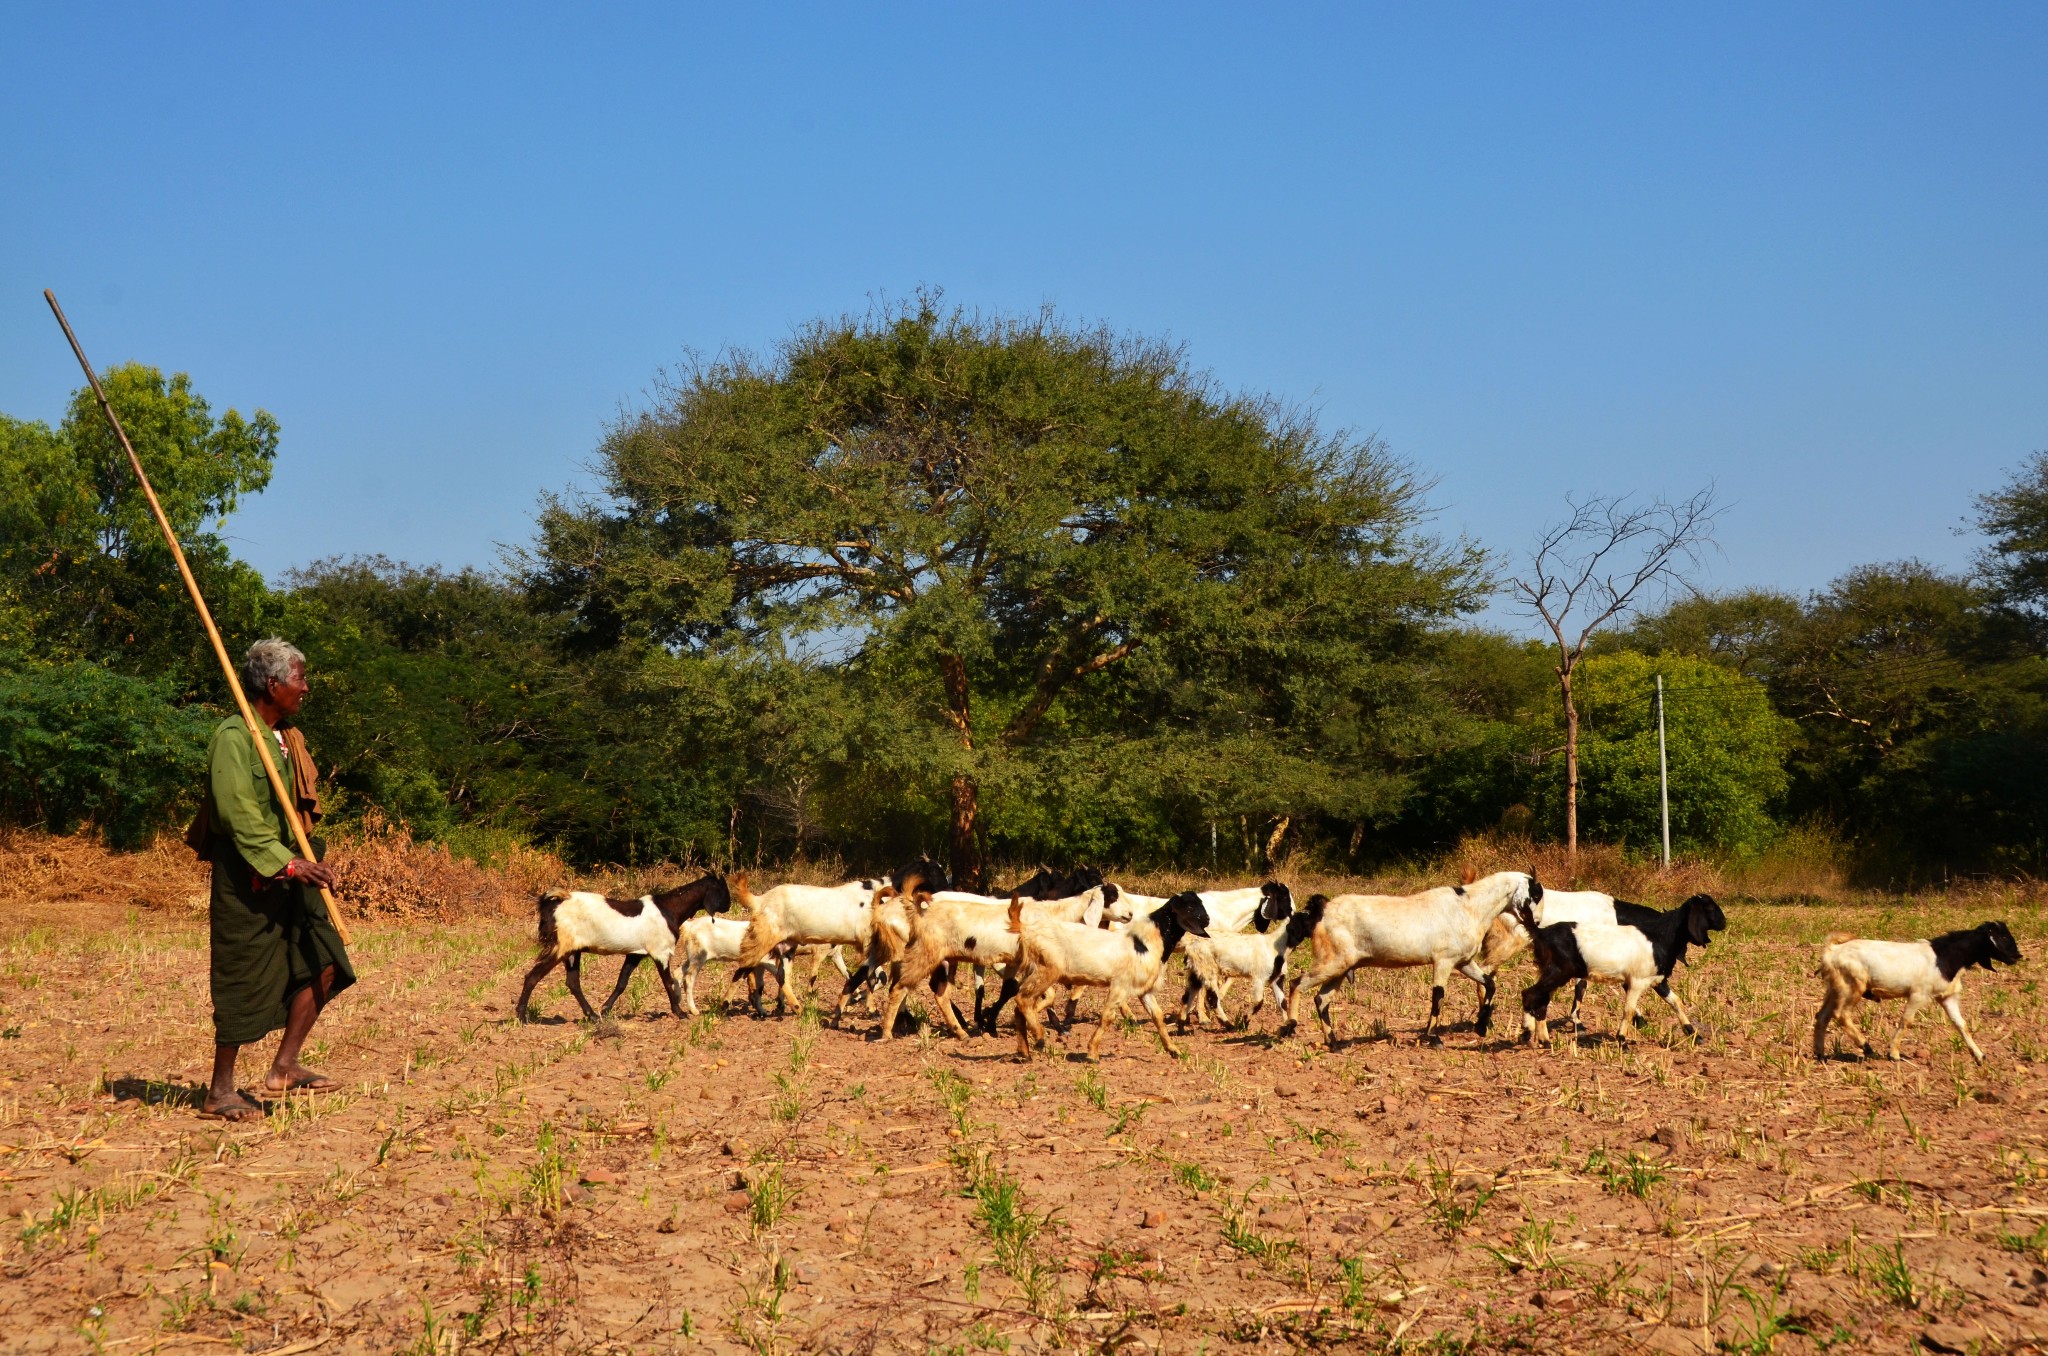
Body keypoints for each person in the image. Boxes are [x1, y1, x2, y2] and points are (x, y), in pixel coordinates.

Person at [190, 638, 355, 1122]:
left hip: (294, 874)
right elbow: (237, 814)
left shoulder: (287, 737)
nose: (305, 688)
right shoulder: (234, 738)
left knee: (327, 960)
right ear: (272, 683)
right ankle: (220, 1090)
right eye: (300, 678)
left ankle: (284, 1067)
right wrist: (286, 863)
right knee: (242, 975)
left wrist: (303, 861)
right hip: (249, 876)